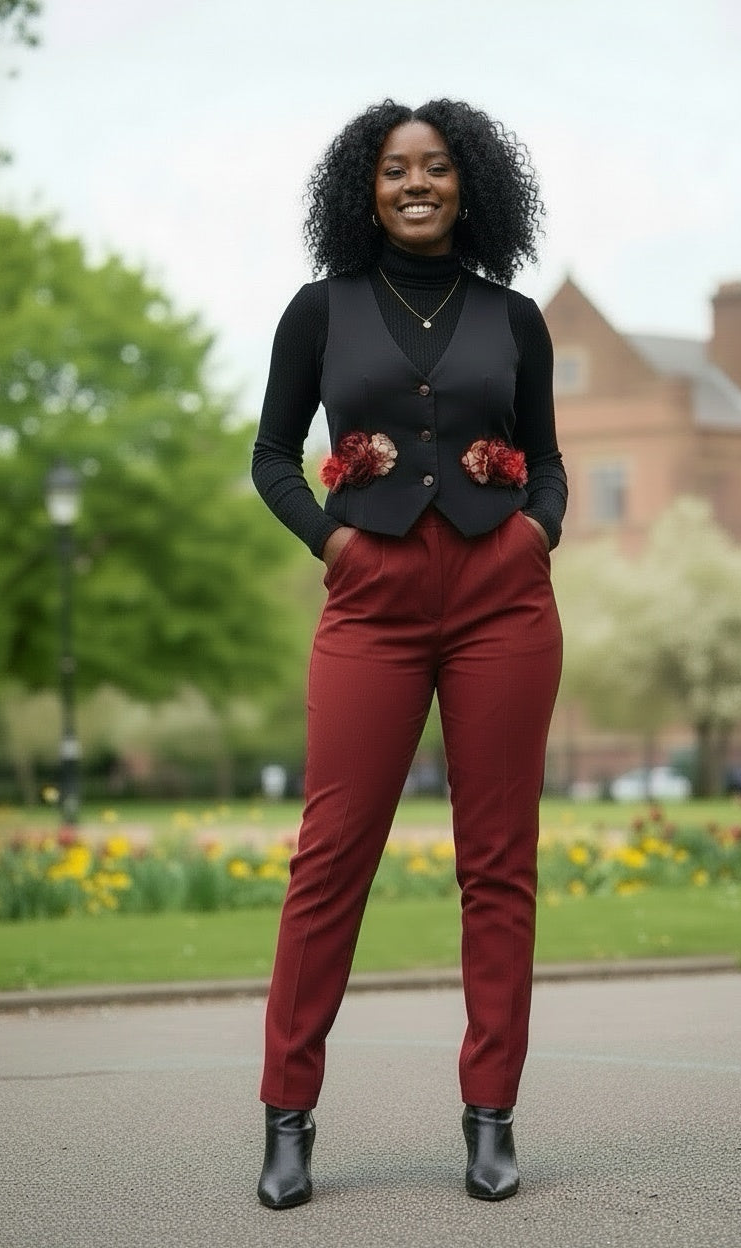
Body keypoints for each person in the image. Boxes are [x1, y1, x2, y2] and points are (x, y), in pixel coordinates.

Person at [251, 98, 566, 1209]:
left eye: (436, 168)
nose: (416, 184)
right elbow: (271, 456)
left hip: (500, 600)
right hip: (371, 601)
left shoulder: (515, 317)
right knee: (329, 860)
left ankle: (490, 1121)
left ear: (468, 184)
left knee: (498, 864)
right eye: (395, 169)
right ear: (366, 187)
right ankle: (287, 1119)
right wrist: (335, 546)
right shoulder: (317, 310)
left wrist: (534, 535)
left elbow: (548, 462)